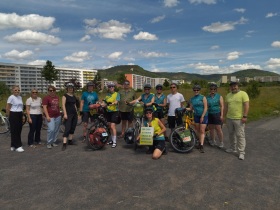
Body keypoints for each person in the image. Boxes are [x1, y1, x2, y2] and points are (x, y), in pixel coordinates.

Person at [224, 81, 249, 160]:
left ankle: (241, 152)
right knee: (231, 134)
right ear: (230, 87)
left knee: (240, 135)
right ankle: (232, 148)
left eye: (235, 86)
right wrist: (223, 116)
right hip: (229, 118)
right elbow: (226, 107)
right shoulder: (228, 95)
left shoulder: (243, 94)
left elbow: (246, 105)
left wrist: (245, 116)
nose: (233, 87)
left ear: (238, 86)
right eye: (232, 86)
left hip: (239, 119)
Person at [189, 84, 208, 153]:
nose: (196, 91)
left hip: (204, 115)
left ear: (199, 91)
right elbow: (191, 108)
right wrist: (183, 108)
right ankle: (199, 141)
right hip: (196, 115)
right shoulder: (192, 99)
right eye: (195, 90)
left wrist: (202, 116)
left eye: (197, 90)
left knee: (202, 130)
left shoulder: (203, 97)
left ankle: (201, 145)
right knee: (197, 130)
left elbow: (206, 107)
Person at [6, 85, 24, 152]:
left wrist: (22, 116)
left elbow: (21, 107)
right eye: (15, 90)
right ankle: (17, 146)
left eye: (18, 90)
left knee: (19, 130)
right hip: (13, 114)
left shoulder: (20, 97)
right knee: (14, 130)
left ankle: (13, 145)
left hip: (19, 114)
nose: (17, 91)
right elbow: (8, 107)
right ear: (12, 90)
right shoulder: (11, 97)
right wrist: (8, 116)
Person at [61, 83, 79, 151]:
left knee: (73, 127)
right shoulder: (65, 96)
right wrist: (65, 114)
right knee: (67, 128)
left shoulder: (73, 96)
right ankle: (64, 143)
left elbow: (74, 105)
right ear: (67, 88)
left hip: (74, 114)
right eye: (69, 88)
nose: (70, 89)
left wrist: (77, 112)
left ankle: (70, 141)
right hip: (68, 114)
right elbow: (63, 105)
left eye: (71, 88)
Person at [206, 83, 224, 148]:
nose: (212, 90)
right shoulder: (207, 97)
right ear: (210, 90)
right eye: (211, 89)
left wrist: (221, 115)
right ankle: (213, 140)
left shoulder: (219, 96)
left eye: (214, 89)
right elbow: (206, 106)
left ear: (216, 90)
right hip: (210, 114)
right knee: (211, 128)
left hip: (217, 113)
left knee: (218, 128)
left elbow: (222, 106)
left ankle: (221, 142)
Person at [103, 82, 120, 148]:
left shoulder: (117, 94)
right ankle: (112, 140)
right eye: (109, 87)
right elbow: (104, 102)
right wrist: (101, 104)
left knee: (113, 126)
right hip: (108, 111)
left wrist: (112, 103)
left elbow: (117, 101)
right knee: (110, 126)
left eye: (112, 86)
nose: (111, 88)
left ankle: (115, 142)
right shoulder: (107, 95)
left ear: (114, 87)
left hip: (114, 111)